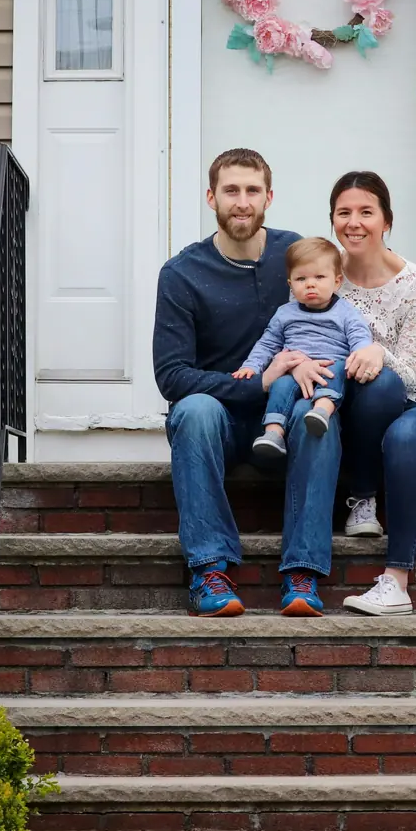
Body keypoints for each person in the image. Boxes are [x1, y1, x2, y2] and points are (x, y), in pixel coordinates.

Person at [153, 148, 343, 618]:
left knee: (314, 414)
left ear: (269, 197)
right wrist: (257, 383)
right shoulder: (182, 274)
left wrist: (302, 363)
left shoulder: (294, 255)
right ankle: (210, 571)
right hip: (218, 422)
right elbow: (171, 375)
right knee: (193, 410)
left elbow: (333, 322)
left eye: (252, 190)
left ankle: (303, 576)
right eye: (231, 190)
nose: (242, 201)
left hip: (287, 414)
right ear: (211, 197)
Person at [330, 171, 416, 615]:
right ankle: (362, 499)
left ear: (386, 220)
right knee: (373, 386)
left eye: (366, 212)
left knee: (401, 428)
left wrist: (375, 353)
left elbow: (410, 370)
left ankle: (396, 582)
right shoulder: (327, 280)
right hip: (359, 416)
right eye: (344, 212)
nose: (354, 222)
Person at [234, 237, 373, 460]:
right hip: (294, 370)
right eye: (301, 278)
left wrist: (363, 354)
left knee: (337, 369)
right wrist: (251, 366)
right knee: (280, 385)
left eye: (319, 277)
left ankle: (322, 411)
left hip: (330, 365)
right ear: (290, 284)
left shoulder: (346, 312)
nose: (310, 284)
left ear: (337, 282)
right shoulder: (285, 313)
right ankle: (273, 433)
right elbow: (268, 343)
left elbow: (359, 337)